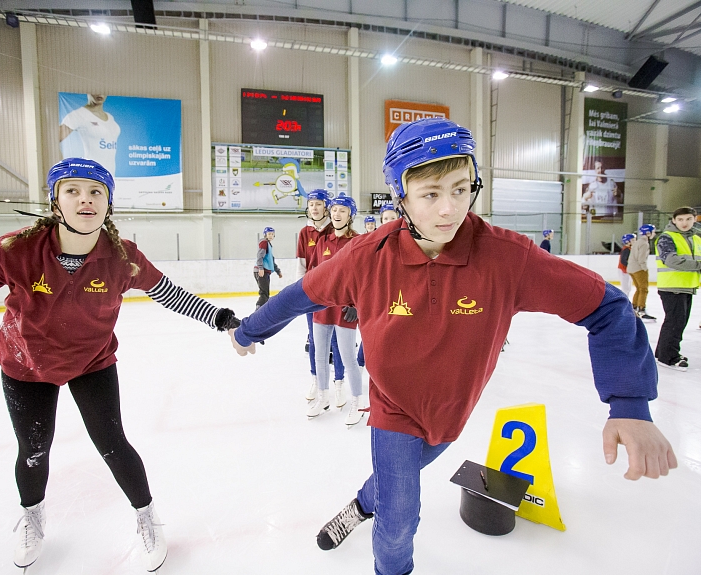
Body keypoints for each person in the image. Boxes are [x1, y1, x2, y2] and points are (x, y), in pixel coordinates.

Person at [228, 118, 676, 575]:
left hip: (452, 411)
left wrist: (630, 403)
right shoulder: (368, 257)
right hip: (394, 408)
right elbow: (299, 293)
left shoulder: (507, 257)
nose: (449, 210)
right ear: (400, 195)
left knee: (391, 489)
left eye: (461, 190)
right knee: (400, 521)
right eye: (431, 194)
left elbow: (607, 308)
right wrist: (248, 332)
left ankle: (364, 503)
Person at [0, 158, 240, 572]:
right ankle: (33, 516)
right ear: (55, 201)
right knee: (34, 450)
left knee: (113, 444)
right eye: (73, 190)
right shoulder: (15, 250)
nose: (85, 200)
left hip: (92, 361)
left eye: (96, 192)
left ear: (108, 204)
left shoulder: (122, 256)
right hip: (26, 363)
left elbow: (168, 293)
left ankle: (146, 517)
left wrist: (218, 318)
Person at [307, 193, 364, 426]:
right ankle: (322, 398)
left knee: (349, 358)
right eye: (335, 210)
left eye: (343, 210)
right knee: (320, 355)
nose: (337, 214)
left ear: (350, 214)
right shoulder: (322, 241)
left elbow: (364, 278)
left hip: (345, 309)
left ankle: (357, 403)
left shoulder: (358, 242)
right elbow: (312, 274)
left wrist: (357, 306)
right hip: (322, 307)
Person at [297, 190, 345, 401]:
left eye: (318, 204)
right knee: (315, 339)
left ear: (326, 207)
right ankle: (316, 380)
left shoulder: (336, 228)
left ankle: (339, 383)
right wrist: (300, 293)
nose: (314, 208)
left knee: (337, 339)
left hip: (335, 294)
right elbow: (301, 265)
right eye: (311, 204)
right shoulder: (304, 233)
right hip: (312, 294)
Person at [654, 207, 701, 371]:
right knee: (675, 323)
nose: (684, 223)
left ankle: (662, 352)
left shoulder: (696, 238)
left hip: (687, 287)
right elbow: (671, 260)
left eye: (688, 219)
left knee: (677, 322)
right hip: (672, 286)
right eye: (680, 219)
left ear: (695, 219)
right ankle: (669, 357)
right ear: (673, 220)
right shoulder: (666, 238)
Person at [59, 94, 120, 177]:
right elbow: (53, 140)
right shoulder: (78, 115)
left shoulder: (110, 117)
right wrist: (63, 168)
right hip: (91, 174)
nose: (100, 93)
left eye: (103, 90)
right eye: (95, 90)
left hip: (110, 175)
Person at [628, 224, 657, 321]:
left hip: (631, 268)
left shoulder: (638, 242)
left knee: (639, 289)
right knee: (643, 289)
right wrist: (644, 268)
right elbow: (641, 258)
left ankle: (634, 307)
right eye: (653, 231)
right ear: (648, 233)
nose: (654, 233)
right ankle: (641, 309)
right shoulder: (644, 243)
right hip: (638, 268)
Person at [254, 226, 282, 310]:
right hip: (261, 271)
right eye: (269, 234)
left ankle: (262, 310)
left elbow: (271, 260)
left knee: (265, 293)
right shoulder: (264, 243)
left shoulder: (268, 245)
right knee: (264, 293)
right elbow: (259, 256)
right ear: (265, 234)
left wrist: (278, 271)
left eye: (272, 234)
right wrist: (261, 268)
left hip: (265, 271)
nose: (271, 235)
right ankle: (258, 310)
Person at [618, 233, 635, 297]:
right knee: (626, 288)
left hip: (625, 270)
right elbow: (623, 260)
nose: (634, 241)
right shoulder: (626, 249)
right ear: (628, 241)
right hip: (624, 270)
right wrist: (629, 266)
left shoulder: (628, 249)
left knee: (628, 287)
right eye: (633, 240)